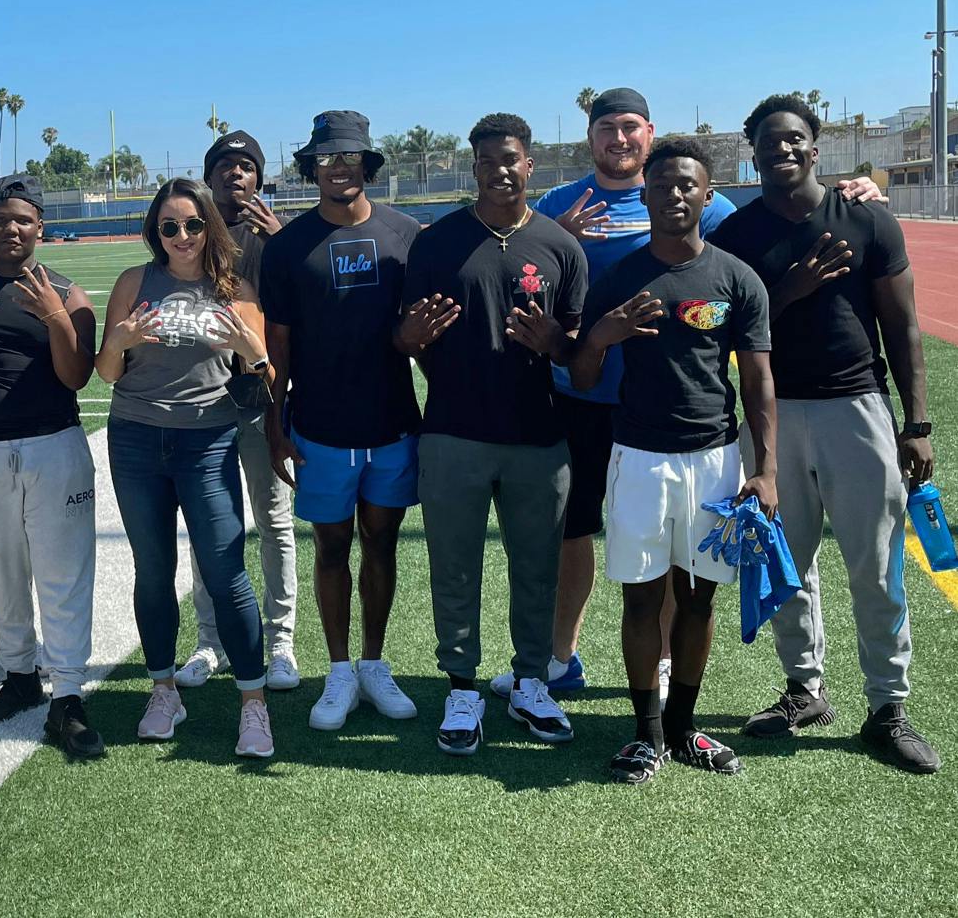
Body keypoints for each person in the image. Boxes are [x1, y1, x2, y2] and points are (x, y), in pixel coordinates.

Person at [516, 88, 887, 701]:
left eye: (630, 127)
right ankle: (560, 659)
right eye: (606, 128)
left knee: (676, 553)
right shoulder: (558, 204)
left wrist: (856, 188)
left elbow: (763, 229)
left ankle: (664, 665)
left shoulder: (699, 203)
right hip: (582, 399)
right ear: (592, 138)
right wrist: (555, 237)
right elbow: (521, 263)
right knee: (573, 534)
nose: (619, 139)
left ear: (649, 132)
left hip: (674, 413)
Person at [710, 94, 940, 774]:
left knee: (876, 563)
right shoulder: (736, 236)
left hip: (855, 408)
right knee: (786, 560)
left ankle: (887, 704)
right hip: (772, 413)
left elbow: (902, 328)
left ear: (815, 148)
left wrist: (916, 424)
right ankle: (804, 688)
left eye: (794, 140)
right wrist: (788, 287)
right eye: (768, 142)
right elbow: (726, 328)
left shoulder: (865, 218)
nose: (781, 150)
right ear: (751, 154)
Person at [568, 139, 776, 783]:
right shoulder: (623, 276)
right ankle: (646, 734)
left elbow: (760, 383)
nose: (674, 195)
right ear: (647, 194)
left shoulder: (736, 278)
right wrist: (603, 335)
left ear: (708, 195)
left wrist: (763, 468)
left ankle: (685, 727)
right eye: (662, 186)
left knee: (697, 603)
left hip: (715, 462)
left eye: (687, 185)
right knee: (641, 600)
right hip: (638, 459)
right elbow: (580, 372)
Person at [398, 113, 586, 756]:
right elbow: (409, 336)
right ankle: (462, 687)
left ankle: (531, 681)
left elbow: (576, 351)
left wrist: (553, 342)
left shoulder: (561, 247)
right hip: (453, 434)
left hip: (539, 438)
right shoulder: (437, 242)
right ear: (472, 168)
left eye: (511, 159)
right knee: (454, 567)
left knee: (537, 568)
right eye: (486, 161)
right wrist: (418, 347)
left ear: (529, 164)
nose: (500, 170)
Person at [97, 178, 277, 758]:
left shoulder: (234, 288)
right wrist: (120, 339)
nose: (181, 236)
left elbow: (264, 376)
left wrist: (254, 352)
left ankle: (254, 703)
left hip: (208, 441)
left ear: (209, 229)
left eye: (193, 225)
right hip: (136, 440)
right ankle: (163, 689)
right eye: (169, 226)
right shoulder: (133, 282)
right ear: (155, 230)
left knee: (226, 573)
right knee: (154, 570)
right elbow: (107, 373)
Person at [259, 112, 421, 730]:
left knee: (381, 543)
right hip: (320, 428)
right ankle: (338, 668)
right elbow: (279, 347)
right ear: (311, 168)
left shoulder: (406, 234)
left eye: (349, 157)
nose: (339, 167)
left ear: (367, 165)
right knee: (331, 546)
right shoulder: (287, 247)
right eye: (326, 159)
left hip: (391, 423)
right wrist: (277, 425)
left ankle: (375, 665)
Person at [0, 174, 104, 756]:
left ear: (40, 228)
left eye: (25, 220)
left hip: (53, 445)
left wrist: (55, 315)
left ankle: (69, 696)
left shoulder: (69, 291)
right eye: (4, 218)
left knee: (62, 572)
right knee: (1, 570)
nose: (13, 229)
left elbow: (75, 375)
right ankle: (19, 676)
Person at [174, 131, 300, 693]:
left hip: (263, 400)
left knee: (274, 523)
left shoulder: (279, 238)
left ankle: (281, 644)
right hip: (202, 404)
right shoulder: (190, 236)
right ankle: (210, 640)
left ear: (260, 177)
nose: (236, 175)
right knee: (210, 528)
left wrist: (282, 241)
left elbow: (304, 308)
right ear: (209, 176)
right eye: (224, 166)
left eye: (246, 166)